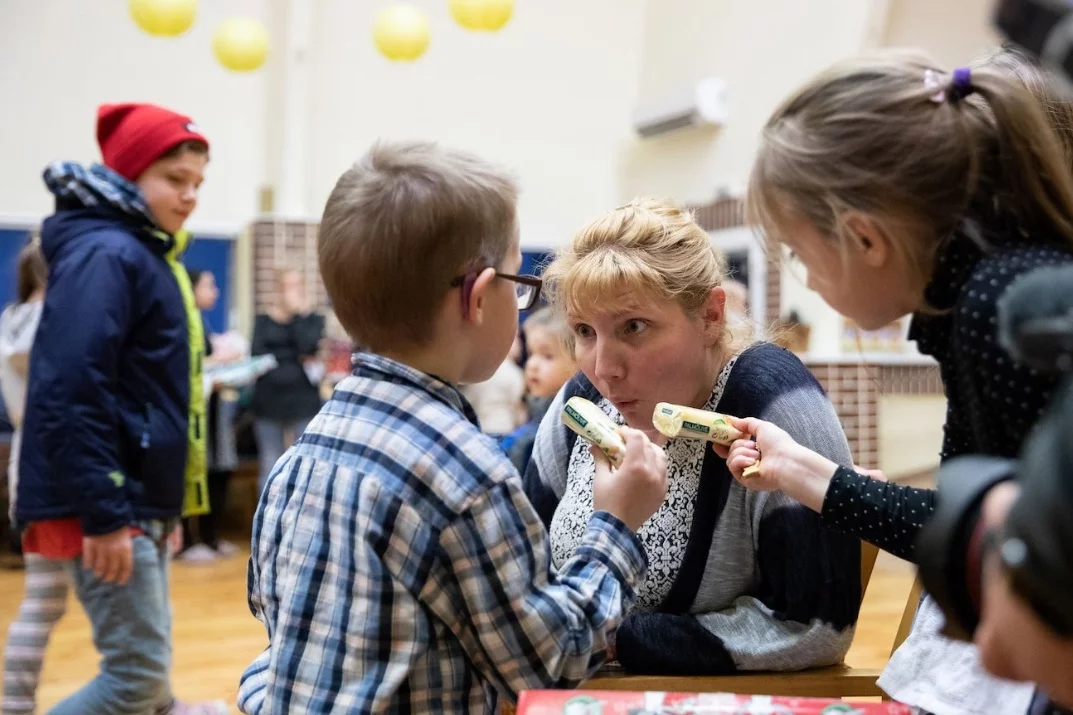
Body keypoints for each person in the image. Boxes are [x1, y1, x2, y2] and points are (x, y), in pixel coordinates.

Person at [238, 141, 669, 714]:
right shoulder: (466, 474)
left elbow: (275, 614)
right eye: (519, 285)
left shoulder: (306, 451)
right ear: (476, 297)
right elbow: (549, 662)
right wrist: (615, 523)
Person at [724, 50, 1073, 714]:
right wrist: (802, 469)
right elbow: (967, 522)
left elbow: (1033, 556)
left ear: (862, 237)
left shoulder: (999, 304)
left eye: (800, 254)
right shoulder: (980, 292)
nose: (807, 277)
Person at [523, 198, 862, 675]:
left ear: (710, 316)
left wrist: (628, 641)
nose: (604, 368)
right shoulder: (582, 395)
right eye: (584, 331)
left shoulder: (772, 398)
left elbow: (815, 625)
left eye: (634, 327)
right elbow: (522, 570)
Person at [15, 103, 225, 715]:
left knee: (150, 682)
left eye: (197, 185)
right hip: (109, 501)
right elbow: (72, 389)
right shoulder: (108, 252)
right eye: (174, 181)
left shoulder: (138, 249)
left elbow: (150, 393)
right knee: (134, 678)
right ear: (130, 176)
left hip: (136, 499)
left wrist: (163, 506)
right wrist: (106, 514)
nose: (189, 197)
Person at [1, 242, 59, 715]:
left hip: (31, 468)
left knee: (43, 603)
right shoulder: (48, 322)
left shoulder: (12, 318)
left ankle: (13, 704)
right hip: (53, 473)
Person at [178, 268, 242, 562]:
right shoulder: (181, 321)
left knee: (216, 469)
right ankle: (187, 541)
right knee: (192, 472)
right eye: (208, 285)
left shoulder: (200, 322)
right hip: (190, 411)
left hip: (211, 408)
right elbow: (188, 364)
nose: (214, 291)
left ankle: (210, 537)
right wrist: (219, 360)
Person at [250, 268, 324, 493]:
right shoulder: (263, 320)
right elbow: (256, 353)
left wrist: (297, 317)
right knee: (270, 463)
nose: (291, 292)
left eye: (296, 286)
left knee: (305, 464)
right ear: (277, 289)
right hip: (268, 400)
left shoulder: (312, 320)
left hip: (303, 399)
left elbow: (307, 346)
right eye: (287, 286)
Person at [500, 307, 576, 472]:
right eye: (531, 354)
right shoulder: (535, 411)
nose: (532, 365)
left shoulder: (565, 426)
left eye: (547, 356)